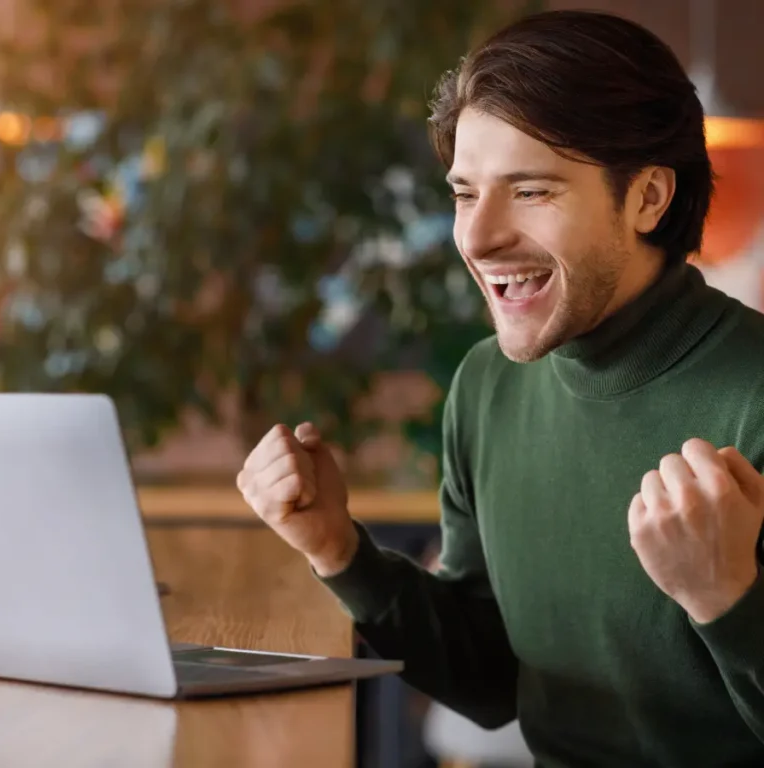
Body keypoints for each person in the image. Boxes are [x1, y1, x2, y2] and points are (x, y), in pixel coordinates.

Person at [236, 10, 764, 768]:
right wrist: (338, 550)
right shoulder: (487, 386)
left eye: (531, 191)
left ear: (647, 198)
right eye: (464, 193)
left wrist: (728, 600)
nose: (478, 238)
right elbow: (490, 681)